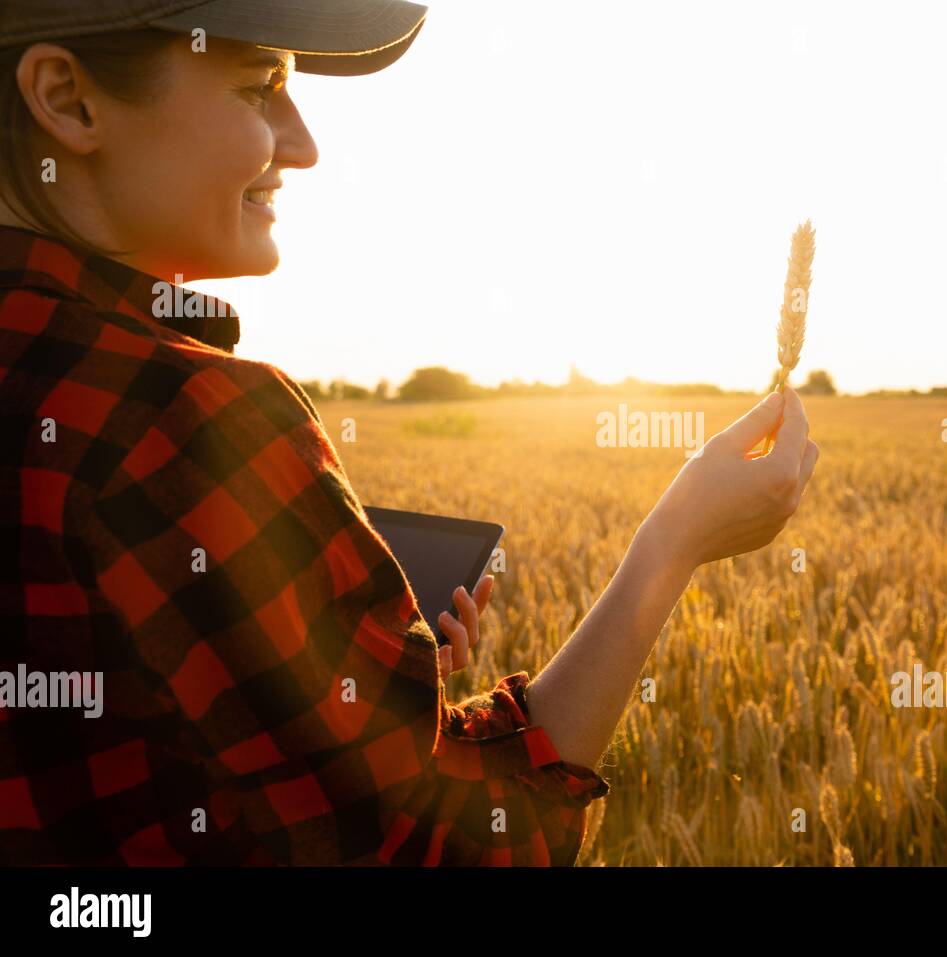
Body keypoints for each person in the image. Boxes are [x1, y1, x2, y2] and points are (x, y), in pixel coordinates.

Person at [0, 0, 820, 865]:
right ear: (68, 100)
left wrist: (348, 683)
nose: (303, 143)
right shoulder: (192, 416)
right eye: (257, 89)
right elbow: (442, 848)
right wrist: (671, 548)